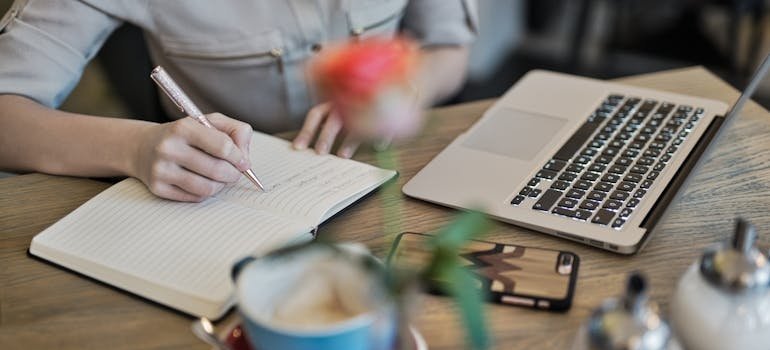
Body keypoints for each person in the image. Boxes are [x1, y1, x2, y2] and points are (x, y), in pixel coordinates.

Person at [0, 0, 477, 202]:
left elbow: (450, 48)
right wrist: (134, 147)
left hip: (385, 173)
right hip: (221, 195)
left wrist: (404, 92)